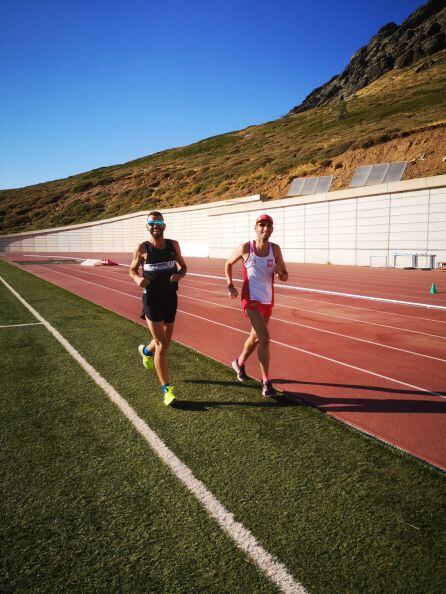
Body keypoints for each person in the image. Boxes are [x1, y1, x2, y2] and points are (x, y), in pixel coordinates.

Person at [225, 214, 288, 397]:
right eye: (262, 225)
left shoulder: (275, 249)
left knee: (255, 338)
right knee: (265, 338)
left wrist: (280, 273)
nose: (265, 228)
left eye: (269, 225)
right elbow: (228, 263)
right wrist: (230, 284)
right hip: (250, 300)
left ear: (272, 229)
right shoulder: (246, 248)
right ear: (255, 227)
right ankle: (266, 382)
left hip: (268, 300)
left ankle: (239, 363)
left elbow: (285, 276)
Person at [129, 211, 187, 406]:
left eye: (159, 222)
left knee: (165, 342)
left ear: (164, 226)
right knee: (162, 344)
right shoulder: (142, 248)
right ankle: (166, 390)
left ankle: (146, 351)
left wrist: (179, 275)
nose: (156, 226)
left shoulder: (173, 245)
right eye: (152, 223)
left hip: (170, 298)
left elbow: (184, 267)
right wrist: (137, 279)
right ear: (147, 227)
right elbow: (132, 270)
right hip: (152, 301)